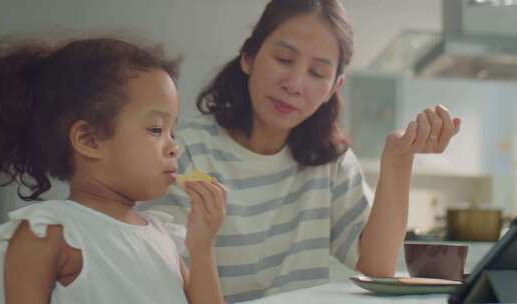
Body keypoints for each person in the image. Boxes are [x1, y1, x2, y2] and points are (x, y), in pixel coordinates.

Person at [143, 0, 461, 302]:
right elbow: (170, 282)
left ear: (333, 89)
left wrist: (398, 160)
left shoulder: (331, 163)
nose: (295, 83)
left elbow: (375, 270)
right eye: (284, 60)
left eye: (317, 73)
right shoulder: (185, 151)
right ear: (248, 57)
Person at [0, 38, 227, 304]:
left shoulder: (162, 236)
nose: (174, 147)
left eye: (172, 132)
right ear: (89, 140)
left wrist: (202, 249)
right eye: (156, 129)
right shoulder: (48, 233)